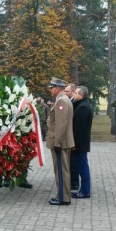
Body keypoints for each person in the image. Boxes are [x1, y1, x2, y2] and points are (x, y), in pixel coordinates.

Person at [46, 77, 74, 206]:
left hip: (60, 142)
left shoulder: (61, 101)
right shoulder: (63, 99)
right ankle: (63, 196)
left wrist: (57, 142)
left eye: (52, 88)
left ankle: (62, 197)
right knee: (63, 169)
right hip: (63, 141)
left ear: (57, 88)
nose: (51, 90)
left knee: (61, 170)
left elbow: (61, 125)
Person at [70, 86, 93, 199]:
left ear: (82, 95)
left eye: (76, 93)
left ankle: (85, 191)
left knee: (83, 167)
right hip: (80, 143)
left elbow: (80, 129)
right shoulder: (81, 105)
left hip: (80, 143)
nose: (74, 94)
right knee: (81, 166)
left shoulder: (83, 107)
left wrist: (75, 144)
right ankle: (83, 190)